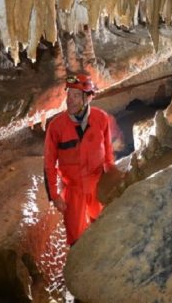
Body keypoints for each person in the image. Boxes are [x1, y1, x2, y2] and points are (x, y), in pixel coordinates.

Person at [43, 71, 115, 246]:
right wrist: (55, 196)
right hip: (73, 189)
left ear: (87, 98)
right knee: (75, 238)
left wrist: (112, 179)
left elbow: (108, 153)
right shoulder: (56, 127)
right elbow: (49, 164)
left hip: (97, 184)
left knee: (102, 228)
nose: (70, 100)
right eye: (69, 94)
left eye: (76, 95)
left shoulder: (101, 118)